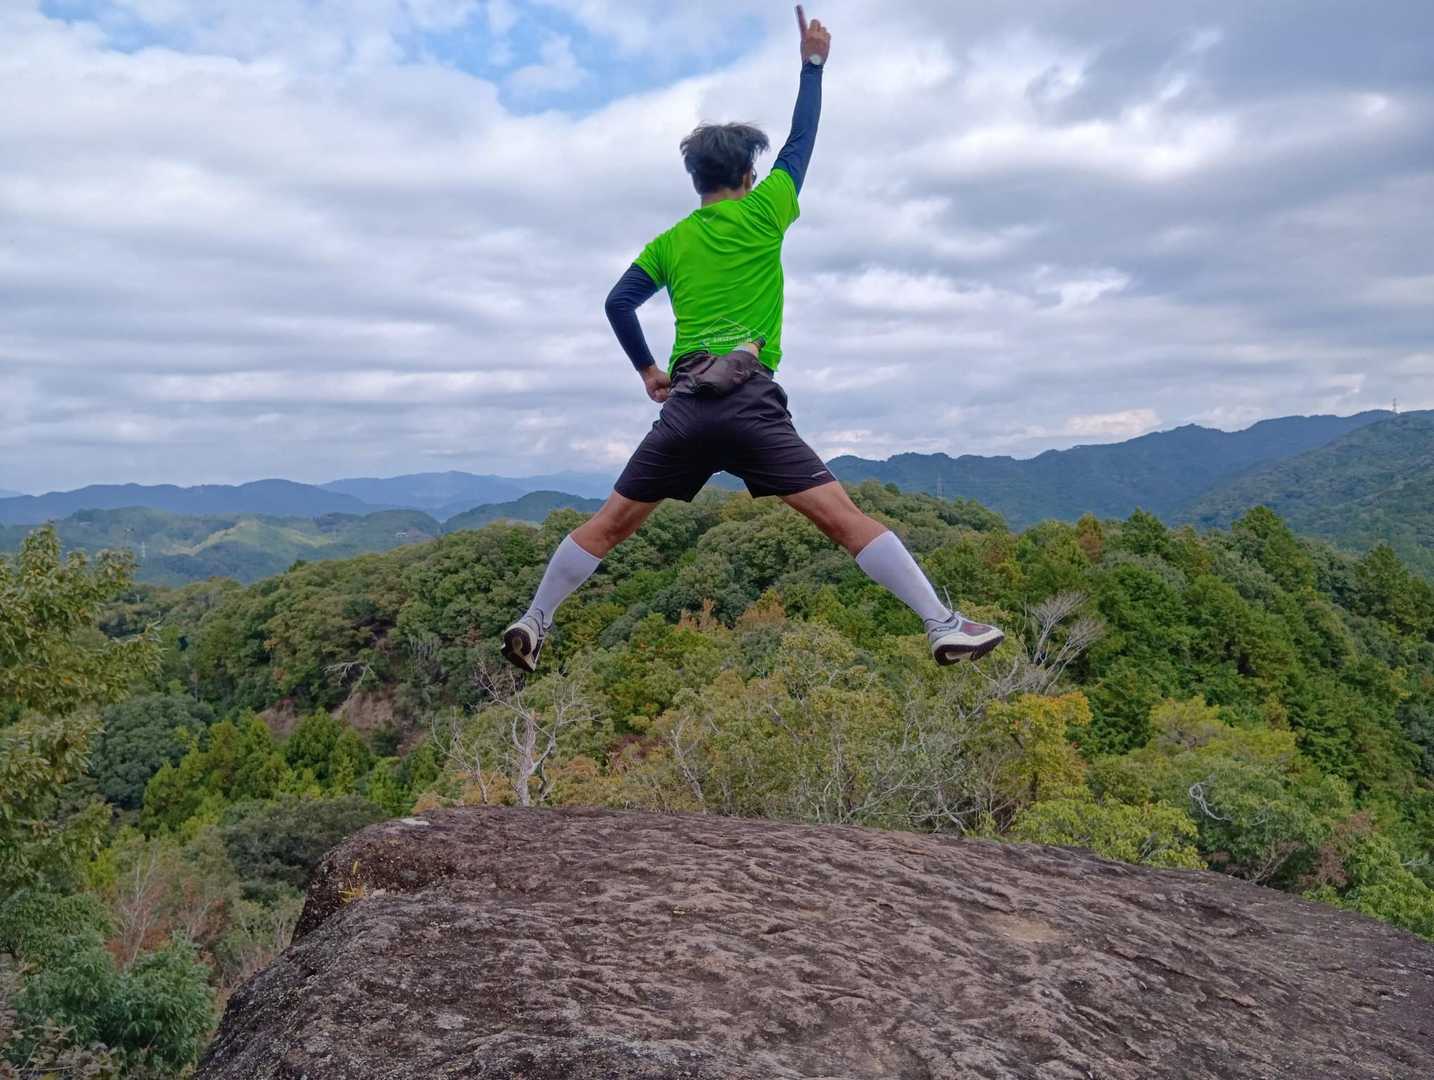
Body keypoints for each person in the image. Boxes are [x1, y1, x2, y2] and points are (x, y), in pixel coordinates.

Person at [502, 7, 1003, 673]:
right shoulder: (765, 212)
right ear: (746, 177)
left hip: (686, 405)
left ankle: (536, 618)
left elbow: (618, 302)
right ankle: (940, 623)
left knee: (611, 523)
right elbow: (801, 142)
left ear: (697, 180)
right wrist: (812, 64)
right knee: (843, 519)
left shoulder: (670, 242)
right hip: (750, 401)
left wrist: (649, 371)